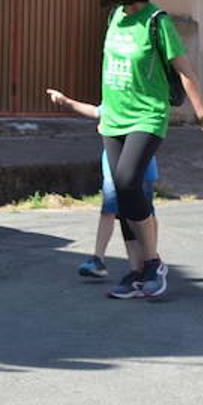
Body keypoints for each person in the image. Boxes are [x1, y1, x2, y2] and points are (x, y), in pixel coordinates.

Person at [86, 0, 203, 300]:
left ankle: (153, 262)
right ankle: (135, 271)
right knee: (120, 192)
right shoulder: (115, 18)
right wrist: (103, 113)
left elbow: (184, 70)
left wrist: (201, 111)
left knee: (130, 180)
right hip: (114, 117)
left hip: (147, 115)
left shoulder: (157, 21)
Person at [44, 89, 158, 281]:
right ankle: (101, 259)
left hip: (140, 168)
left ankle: (150, 259)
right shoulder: (114, 99)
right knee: (111, 211)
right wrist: (66, 101)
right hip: (112, 168)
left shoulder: (140, 106)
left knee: (143, 214)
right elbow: (96, 111)